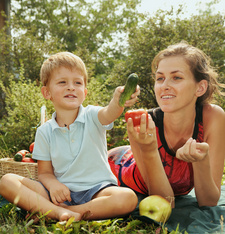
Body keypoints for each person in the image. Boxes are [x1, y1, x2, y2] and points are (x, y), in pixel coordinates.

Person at [0, 52, 139, 222]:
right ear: (47, 92)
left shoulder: (93, 116)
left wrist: (118, 100)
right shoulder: (44, 131)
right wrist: (53, 185)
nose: (71, 87)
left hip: (98, 191)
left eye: (77, 83)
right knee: (7, 181)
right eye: (62, 82)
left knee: (128, 198)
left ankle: (63, 212)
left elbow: (110, 113)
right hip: (60, 193)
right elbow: (44, 173)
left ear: (85, 92)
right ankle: (60, 212)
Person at [108, 42, 225, 208]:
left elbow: (209, 201)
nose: (164, 86)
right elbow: (165, 202)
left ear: (200, 88)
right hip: (115, 166)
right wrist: (148, 149)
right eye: (160, 78)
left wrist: (201, 162)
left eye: (176, 77)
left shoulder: (213, 117)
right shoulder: (142, 122)